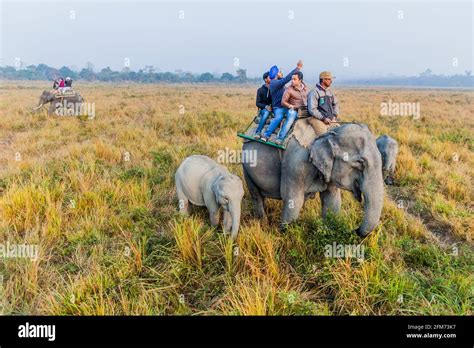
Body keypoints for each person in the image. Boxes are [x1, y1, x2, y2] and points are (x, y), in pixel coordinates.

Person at [261, 60, 303, 144]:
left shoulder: (278, 82)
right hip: (278, 107)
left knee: (292, 115)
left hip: (285, 106)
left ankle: (282, 136)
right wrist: (297, 68)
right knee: (279, 117)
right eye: (279, 72)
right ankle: (267, 135)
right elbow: (287, 78)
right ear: (276, 74)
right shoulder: (275, 83)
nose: (281, 73)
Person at [278, 71, 308, 143]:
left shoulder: (305, 88)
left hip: (304, 109)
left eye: (294, 79)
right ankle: (280, 138)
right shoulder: (289, 89)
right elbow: (283, 102)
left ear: (300, 80)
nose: (292, 81)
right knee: (291, 116)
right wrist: (290, 106)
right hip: (293, 109)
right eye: (292, 79)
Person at [307, 71, 340, 136]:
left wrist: (334, 116)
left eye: (331, 79)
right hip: (316, 119)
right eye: (329, 79)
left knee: (339, 133)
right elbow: (312, 109)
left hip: (330, 119)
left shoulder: (330, 92)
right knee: (325, 136)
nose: (331, 81)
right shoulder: (314, 92)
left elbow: (335, 104)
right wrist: (323, 118)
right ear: (323, 80)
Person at [254, 72, 272, 139]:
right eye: (270, 77)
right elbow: (257, 103)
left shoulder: (274, 89)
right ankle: (258, 132)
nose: (272, 78)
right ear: (265, 79)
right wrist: (266, 107)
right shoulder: (260, 90)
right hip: (264, 109)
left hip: (274, 108)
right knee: (266, 113)